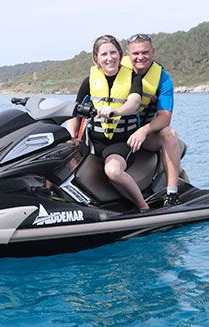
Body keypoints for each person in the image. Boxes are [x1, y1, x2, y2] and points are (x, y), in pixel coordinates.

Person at [66, 35, 149, 210]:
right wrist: (70, 137)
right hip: (95, 143)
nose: (109, 58)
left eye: (113, 53)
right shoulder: (89, 81)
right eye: (104, 54)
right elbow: (75, 113)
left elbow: (134, 102)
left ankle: (144, 208)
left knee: (113, 171)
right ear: (96, 58)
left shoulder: (133, 78)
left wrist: (117, 111)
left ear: (120, 55)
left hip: (122, 142)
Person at [124, 33, 182, 207]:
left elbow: (165, 117)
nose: (140, 57)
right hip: (117, 134)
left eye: (145, 52)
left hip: (146, 136)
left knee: (169, 134)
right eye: (135, 53)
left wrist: (144, 131)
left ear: (153, 52)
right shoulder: (117, 73)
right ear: (128, 55)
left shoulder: (163, 79)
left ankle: (172, 194)